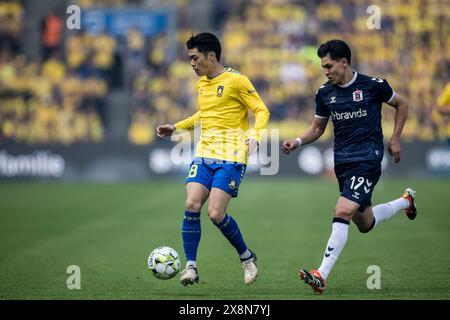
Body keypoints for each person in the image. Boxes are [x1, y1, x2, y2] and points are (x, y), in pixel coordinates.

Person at [282, 39, 417, 294]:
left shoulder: (373, 85)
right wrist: (298, 141)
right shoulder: (324, 93)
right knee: (365, 223)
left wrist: (396, 138)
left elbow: (403, 104)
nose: (326, 71)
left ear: (344, 63)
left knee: (342, 210)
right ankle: (406, 202)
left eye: (329, 65)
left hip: (368, 159)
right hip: (343, 162)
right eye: (323, 67)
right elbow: (317, 128)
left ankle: (321, 274)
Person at [156, 32, 270, 286]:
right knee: (191, 204)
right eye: (189, 59)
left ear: (211, 56)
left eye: (195, 58)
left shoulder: (237, 81)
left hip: (231, 157)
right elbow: (202, 116)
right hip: (204, 154)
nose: (192, 63)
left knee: (216, 214)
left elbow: (261, 110)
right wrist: (175, 127)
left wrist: (256, 136)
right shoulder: (202, 84)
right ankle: (191, 267)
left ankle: (247, 257)